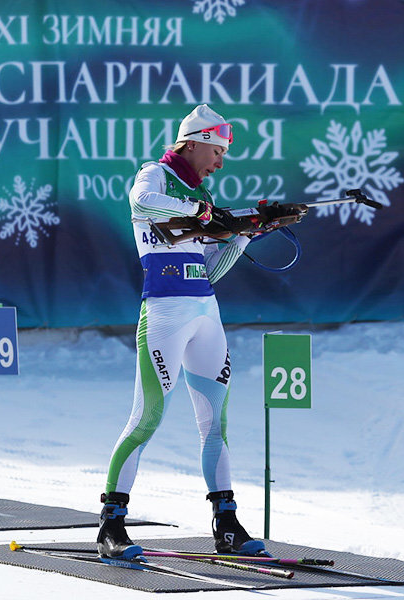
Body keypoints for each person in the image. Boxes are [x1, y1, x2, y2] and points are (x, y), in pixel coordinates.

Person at [97, 104, 278, 559]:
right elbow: (139, 203)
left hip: (205, 314)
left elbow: (208, 272)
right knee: (146, 419)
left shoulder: (206, 200)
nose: (220, 161)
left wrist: (240, 236)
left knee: (216, 424)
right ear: (194, 142)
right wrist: (200, 212)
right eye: (217, 150)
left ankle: (227, 526)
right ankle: (110, 526)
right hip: (163, 314)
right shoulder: (154, 175)